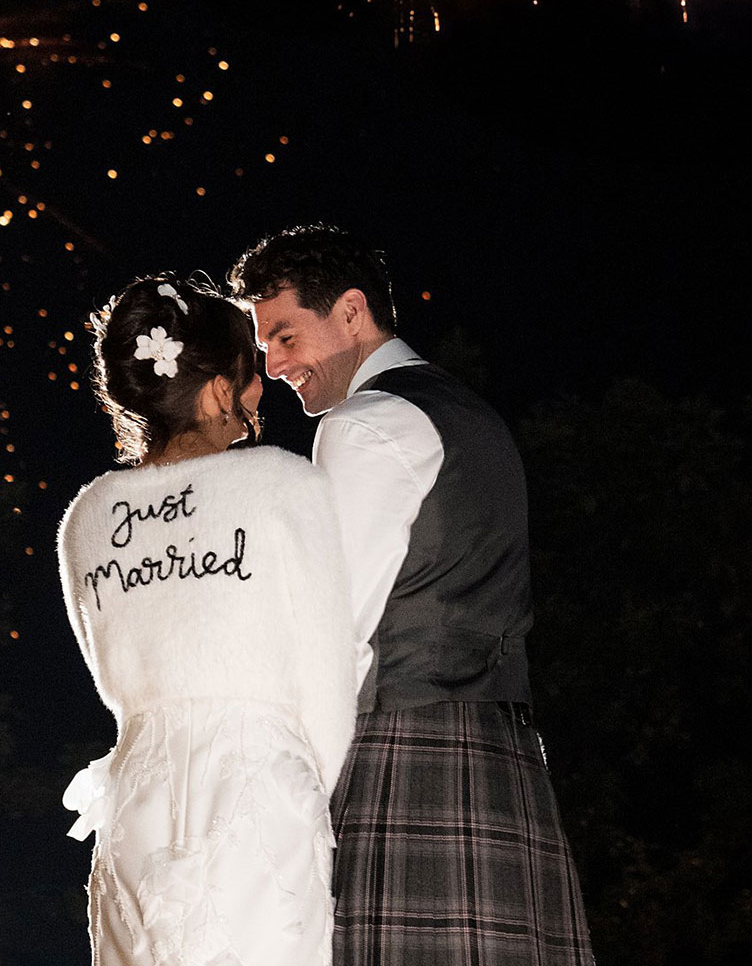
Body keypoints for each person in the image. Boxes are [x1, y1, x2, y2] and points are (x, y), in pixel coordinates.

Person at [230, 224, 594, 966]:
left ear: (353, 312)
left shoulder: (363, 426)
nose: (272, 365)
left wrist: (289, 791)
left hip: (407, 755)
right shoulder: (469, 414)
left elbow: (336, 634)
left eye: (286, 336)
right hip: (504, 754)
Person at [58, 272, 357, 966]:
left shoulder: (87, 517)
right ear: (221, 389)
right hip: (259, 795)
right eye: (251, 374)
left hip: (137, 803)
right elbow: (328, 688)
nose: (260, 391)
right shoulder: (286, 486)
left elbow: (112, 679)